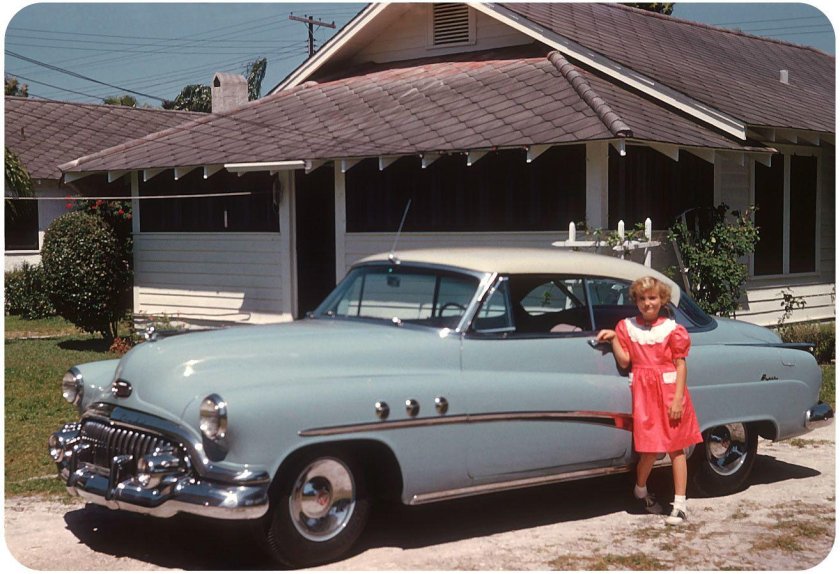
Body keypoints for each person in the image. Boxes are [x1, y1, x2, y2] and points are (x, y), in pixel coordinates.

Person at [596, 276, 702, 526]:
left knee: (677, 449)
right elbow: (624, 361)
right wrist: (613, 339)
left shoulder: (672, 329)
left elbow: (680, 365)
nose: (647, 303)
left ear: (662, 299)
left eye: (652, 298)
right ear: (636, 301)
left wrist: (678, 400)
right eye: (642, 299)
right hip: (644, 394)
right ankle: (640, 491)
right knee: (650, 450)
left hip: (669, 393)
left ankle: (680, 504)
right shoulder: (627, 327)